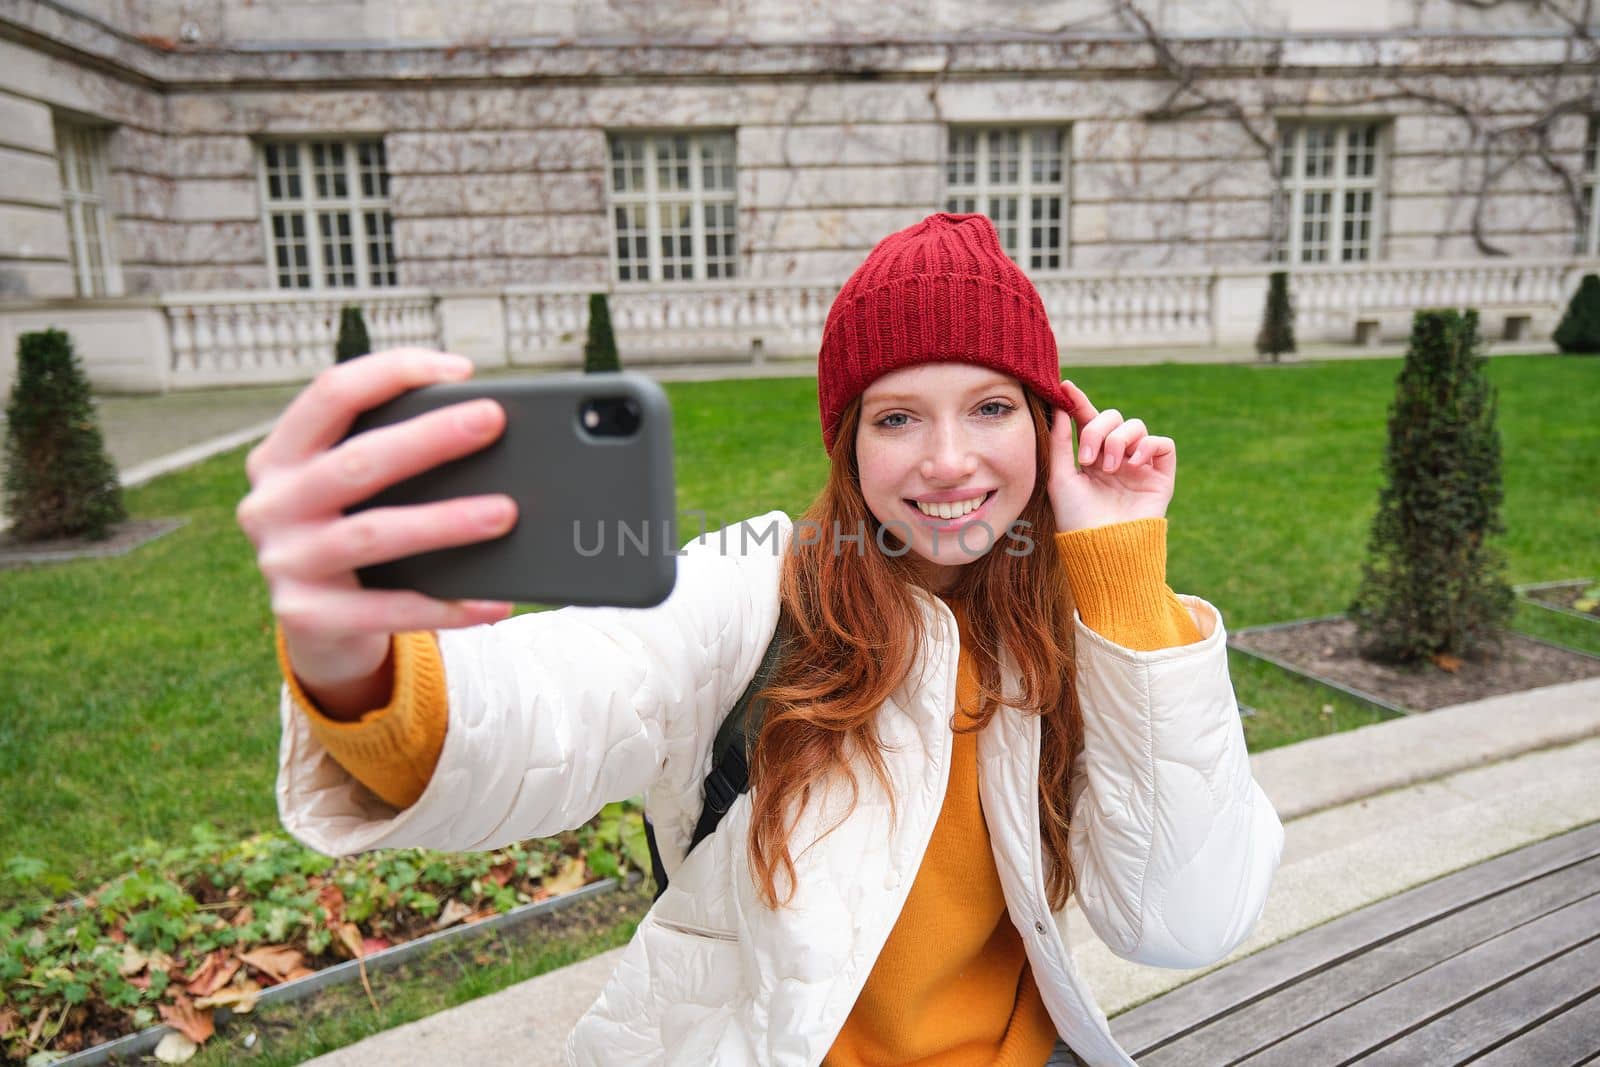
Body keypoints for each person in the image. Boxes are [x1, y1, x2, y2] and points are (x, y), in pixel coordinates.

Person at [239, 212, 1283, 1067]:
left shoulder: (1074, 630)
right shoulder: (759, 591)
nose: (950, 460)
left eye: (990, 405)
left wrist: (1124, 572)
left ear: (1048, 424)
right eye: (897, 417)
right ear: (847, 440)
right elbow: (570, 694)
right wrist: (358, 664)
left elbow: (1181, 918)